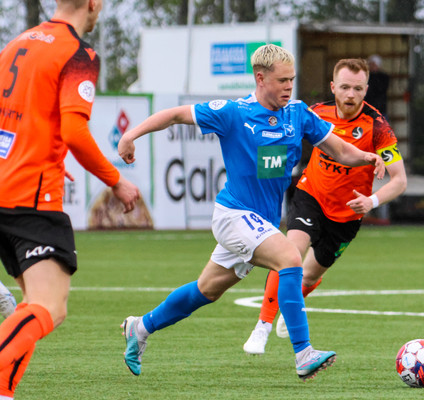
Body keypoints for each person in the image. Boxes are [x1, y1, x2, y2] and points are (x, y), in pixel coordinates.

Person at [118, 45, 385, 382]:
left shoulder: (297, 113)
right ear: (260, 78)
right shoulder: (233, 112)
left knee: (206, 290)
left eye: (292, 80)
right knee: (291, 258)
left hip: (262, 223)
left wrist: (367, 157)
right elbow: (173, 115)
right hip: (233, 216)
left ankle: (140, 327)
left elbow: (340, 150)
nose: (289, 86)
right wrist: (131, 135)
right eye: (282, 80)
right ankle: (304, 353)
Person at [0, 1, 139, 398]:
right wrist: (116, 181)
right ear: (93, 4)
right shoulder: (78, 54)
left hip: (6, 186)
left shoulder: (17, 44)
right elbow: (74, 132)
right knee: (50, 307)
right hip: (31, 197)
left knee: (31, 306)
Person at [243, 58, 407, 355]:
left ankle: (293, 305)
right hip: (311, 195)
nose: (350, 94)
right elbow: (278, 132)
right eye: (344, 87)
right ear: (333, 87)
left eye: (357, 88)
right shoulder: (316, 113)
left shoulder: (378, 127)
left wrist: (371, 201)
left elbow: (400, 180)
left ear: (366, 89)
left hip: (347, 215)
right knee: (289, 256)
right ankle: (262, 326)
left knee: (308, 276)